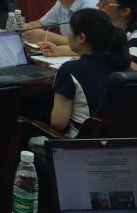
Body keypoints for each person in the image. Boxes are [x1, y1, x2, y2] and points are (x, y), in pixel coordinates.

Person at [30, 9, 129, 150]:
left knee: (31, 137)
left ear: (81, 38)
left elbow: (58, 123)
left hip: (80, 150)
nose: (68, 35)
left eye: (70, 30)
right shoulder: (125, 68)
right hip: (123, 148)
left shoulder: (70, 70)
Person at [41, 0, 137, 69]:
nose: (98, 6)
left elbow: (134, 70)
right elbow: (95, 49)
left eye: (104, 2)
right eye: (100, 0)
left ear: (125, 11)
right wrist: (59, 50)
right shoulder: (116, 26)